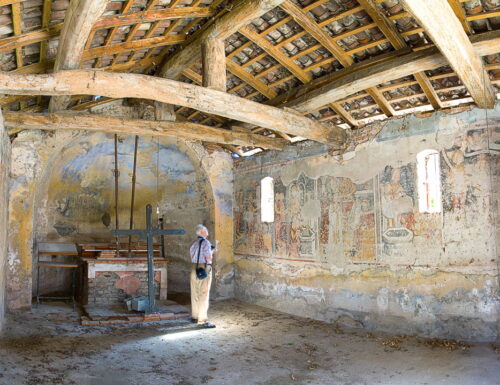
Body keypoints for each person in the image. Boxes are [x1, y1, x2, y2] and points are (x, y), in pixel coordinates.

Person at [189, 224, 216, 328]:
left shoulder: (194, 243)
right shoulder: (206, 242)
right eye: (206, 230)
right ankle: (203, 320)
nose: (207, 231)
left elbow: (193, 255)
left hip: (193, 268)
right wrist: (212, 251)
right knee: (204, 293)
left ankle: (195, 316)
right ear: (202, 232)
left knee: (195, 293)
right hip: (203, 268)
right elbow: (208, 258)